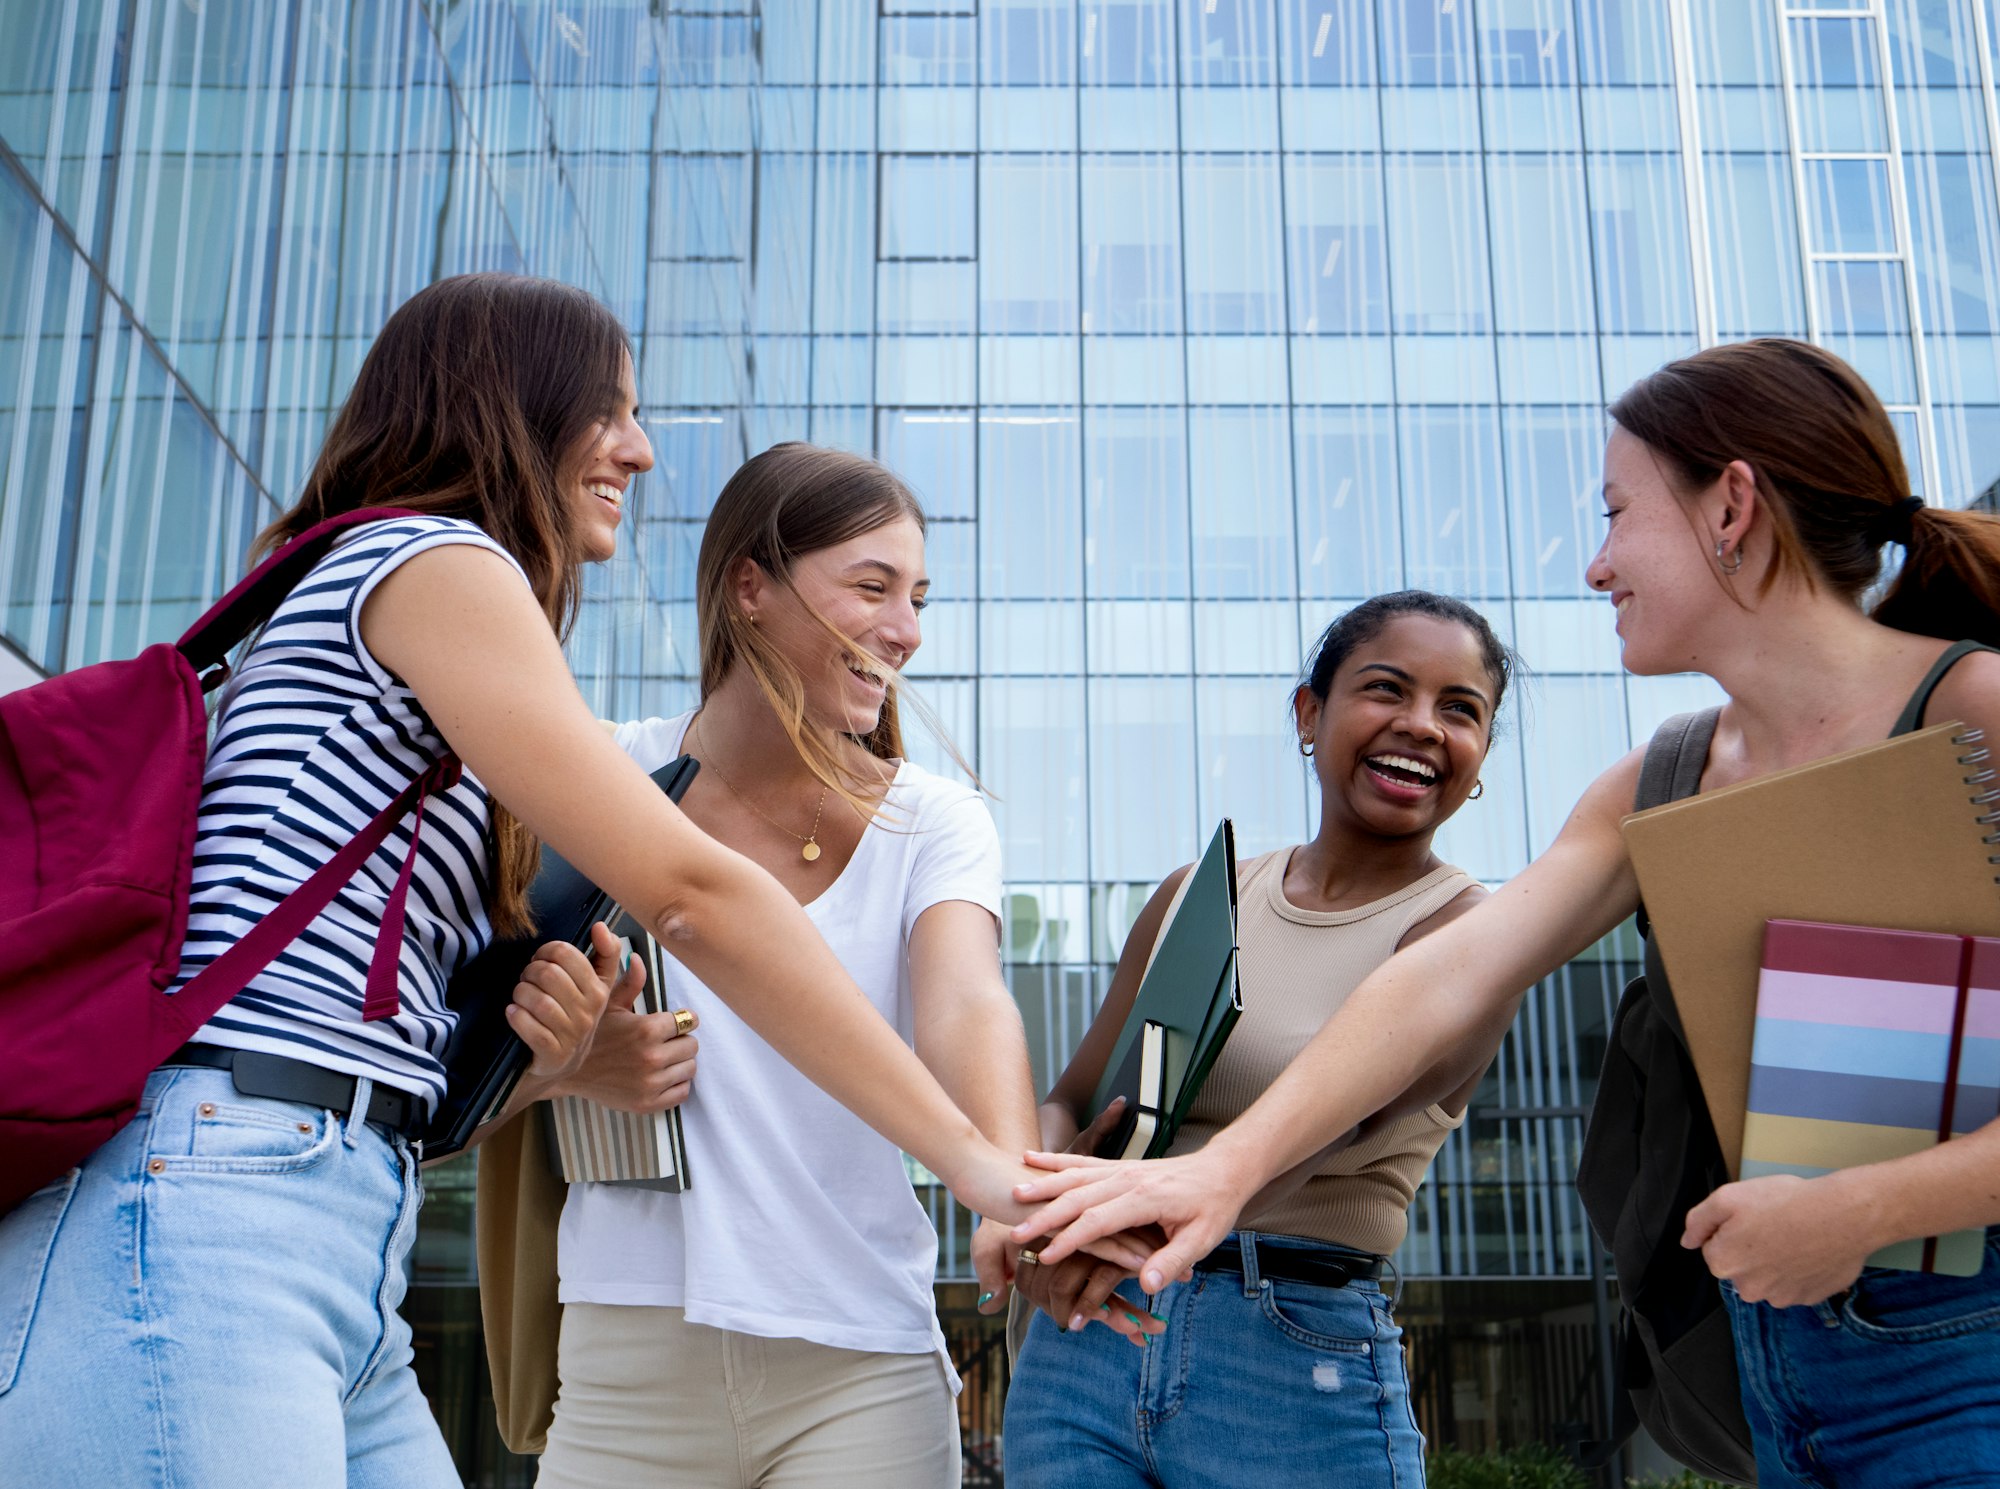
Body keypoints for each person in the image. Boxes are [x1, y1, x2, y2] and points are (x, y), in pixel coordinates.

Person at [0, 275, 1056, 1489]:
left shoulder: (374, 595)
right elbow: (692, 894)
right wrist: (975, 1164)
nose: (641, 449)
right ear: (514, 400)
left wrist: (555, 1063)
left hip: (326, 1211)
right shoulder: (437, 561)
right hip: (210, 1198)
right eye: (608, 408)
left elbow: (398, 1026)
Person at [1014, 338, 2000, 1487]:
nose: (1594, 565)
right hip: (1781, 1359)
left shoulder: (1970, 711)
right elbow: (1451, 973)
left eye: (1616, 511)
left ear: (1729, 505)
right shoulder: (1662, 776)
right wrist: (1216, 1171)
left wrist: (1865, 1204)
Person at [535, 442, 1045, 1488]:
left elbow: (964, 1001)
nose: (904, 629)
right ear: (749, 586)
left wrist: (1006, 1176)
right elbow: (467, 1025)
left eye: (917, 597)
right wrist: (569, 1067)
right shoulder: (598, 775)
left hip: (858, 1355)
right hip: (626, 1347)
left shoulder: (931, 821)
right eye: (872, 587)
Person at [1001, 591, 1514, 1488]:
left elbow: (1322, 1132)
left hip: (1284, 1355)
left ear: (1479, 761)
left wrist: (1104, 1232)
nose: (1422, 725)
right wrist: (1037, 1210)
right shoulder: (1196, 896)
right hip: (1082, 1340)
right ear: (1310, 714)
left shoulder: (1471, 934)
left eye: (1460, 708)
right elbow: (1072, 1099)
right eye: (1387, 689)